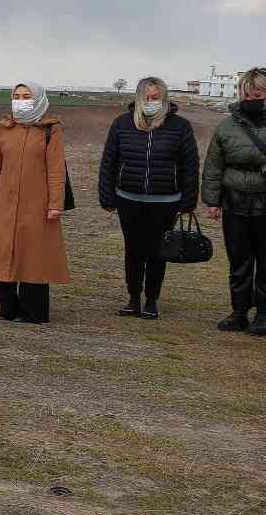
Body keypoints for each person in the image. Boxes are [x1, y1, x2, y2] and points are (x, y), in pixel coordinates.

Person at [97, 77, 200, 319]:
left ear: (163, 99)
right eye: (146, 97)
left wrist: (188, 201)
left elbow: (190, 165)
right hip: (128, 199)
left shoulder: (180, 126)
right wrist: (107, 197)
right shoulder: (121, 124)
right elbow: (108, 162)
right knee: (133, 250)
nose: (150, 102)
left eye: (155, 98)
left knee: (157, 252)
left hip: (165, 202)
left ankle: (152, 300)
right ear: (138, 98)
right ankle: (133, 298)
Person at [0, 82, 70, 323]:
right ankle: (8, 307)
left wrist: (55, 204)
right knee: (4, 250)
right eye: (17, 96)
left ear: (38, 98)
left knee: (34, 255)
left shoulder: (51, 129)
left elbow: (56, 170)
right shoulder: (3, 128)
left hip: (37, 203)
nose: (21, 100)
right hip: (4, 202)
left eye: (26, 96)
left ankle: (34, 311)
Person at [202, 68, 266, 335]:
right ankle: (239, 312)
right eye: (248, 94)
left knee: (265, 260)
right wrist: (212, 201)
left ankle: (263, 315)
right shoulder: (226, 127)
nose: (252, 98)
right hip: (234, 202)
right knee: (238, 259)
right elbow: (214, 166)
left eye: (259, 94)